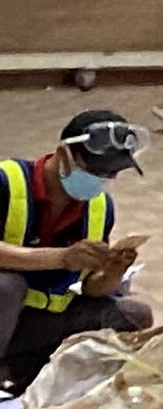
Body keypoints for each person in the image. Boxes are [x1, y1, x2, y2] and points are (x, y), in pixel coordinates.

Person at [0, 113, 154, 393]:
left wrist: (111, 273)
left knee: (133, 315)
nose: (100, 181)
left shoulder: (99, 207)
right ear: (63, 154)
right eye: (94, 172)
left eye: (109, 175)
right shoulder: (7, 182)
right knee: (6, 287)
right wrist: (61, 258)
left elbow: (90, 288)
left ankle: (29, 372)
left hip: (34, 324)